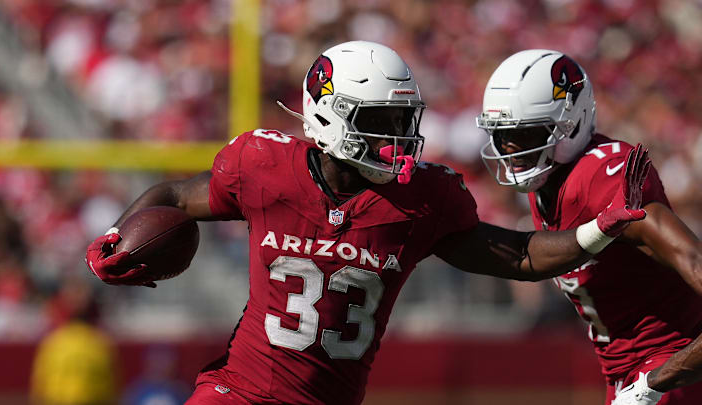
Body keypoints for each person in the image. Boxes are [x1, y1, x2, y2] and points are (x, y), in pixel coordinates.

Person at [86, 41, 648, 405]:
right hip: (239, 391)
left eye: (404, 122)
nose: (397, 141)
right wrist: (119, 236)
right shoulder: (264, 167)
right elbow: (175, 198)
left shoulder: (421, 200)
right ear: (329, 116)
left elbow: (520, 256)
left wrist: (595, 231)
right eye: (383, 123)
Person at [477, 49, 702, 405]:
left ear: (571, 124)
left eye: (527, 134)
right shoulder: (546, 185)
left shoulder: (601, 177)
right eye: (502, 135)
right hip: (626, 375)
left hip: (674, 370)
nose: (510, 150)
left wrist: (657, 381)